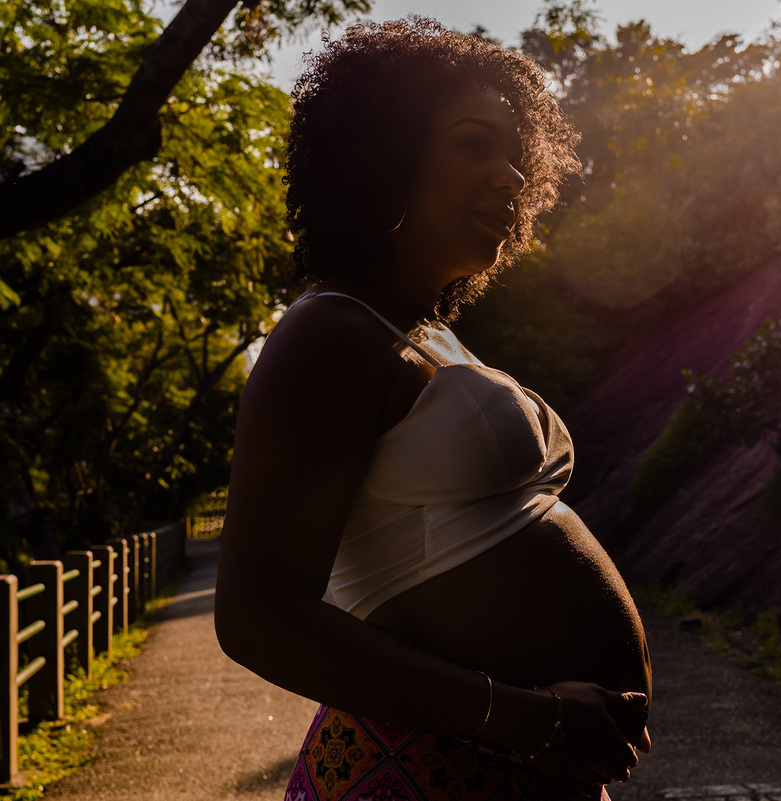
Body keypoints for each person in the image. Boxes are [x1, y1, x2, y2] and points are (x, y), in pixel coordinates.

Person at [213, 17, 652, 801]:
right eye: (475, 145)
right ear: (382, 150)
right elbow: (256, 614)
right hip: (426, 767)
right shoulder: (331, 331)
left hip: (504, 765)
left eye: (518, 156)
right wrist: (528, 720)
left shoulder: (429, 334)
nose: (512, 177)